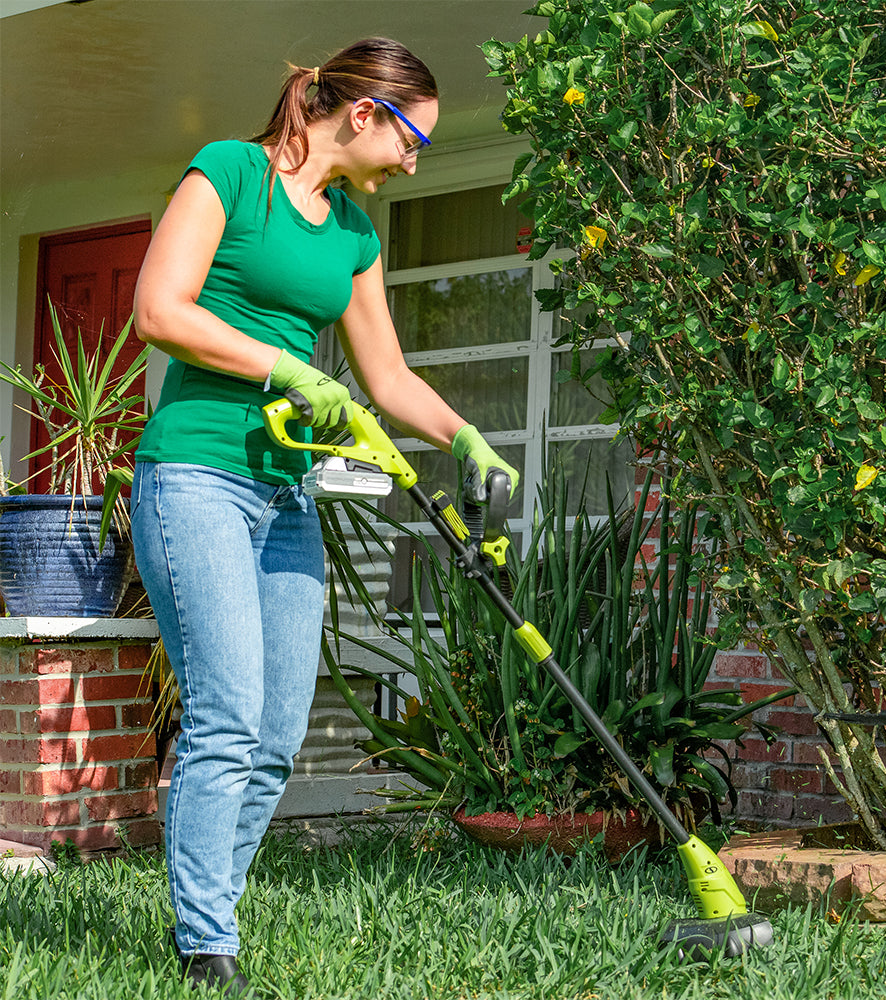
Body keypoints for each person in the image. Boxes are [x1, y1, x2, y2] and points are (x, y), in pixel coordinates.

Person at [130, 37, 517, 998]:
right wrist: (287, 367)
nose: (415, 162)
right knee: (225, 718)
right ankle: (205, 946)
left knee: (275, 732)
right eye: (413, 140)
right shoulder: (229, 171)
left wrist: (467, 437)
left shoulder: (353, 234)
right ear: (362, 115)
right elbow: (158, 309)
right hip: (196, 475)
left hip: (285, 492)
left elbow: (384, 378)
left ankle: (210, 907)